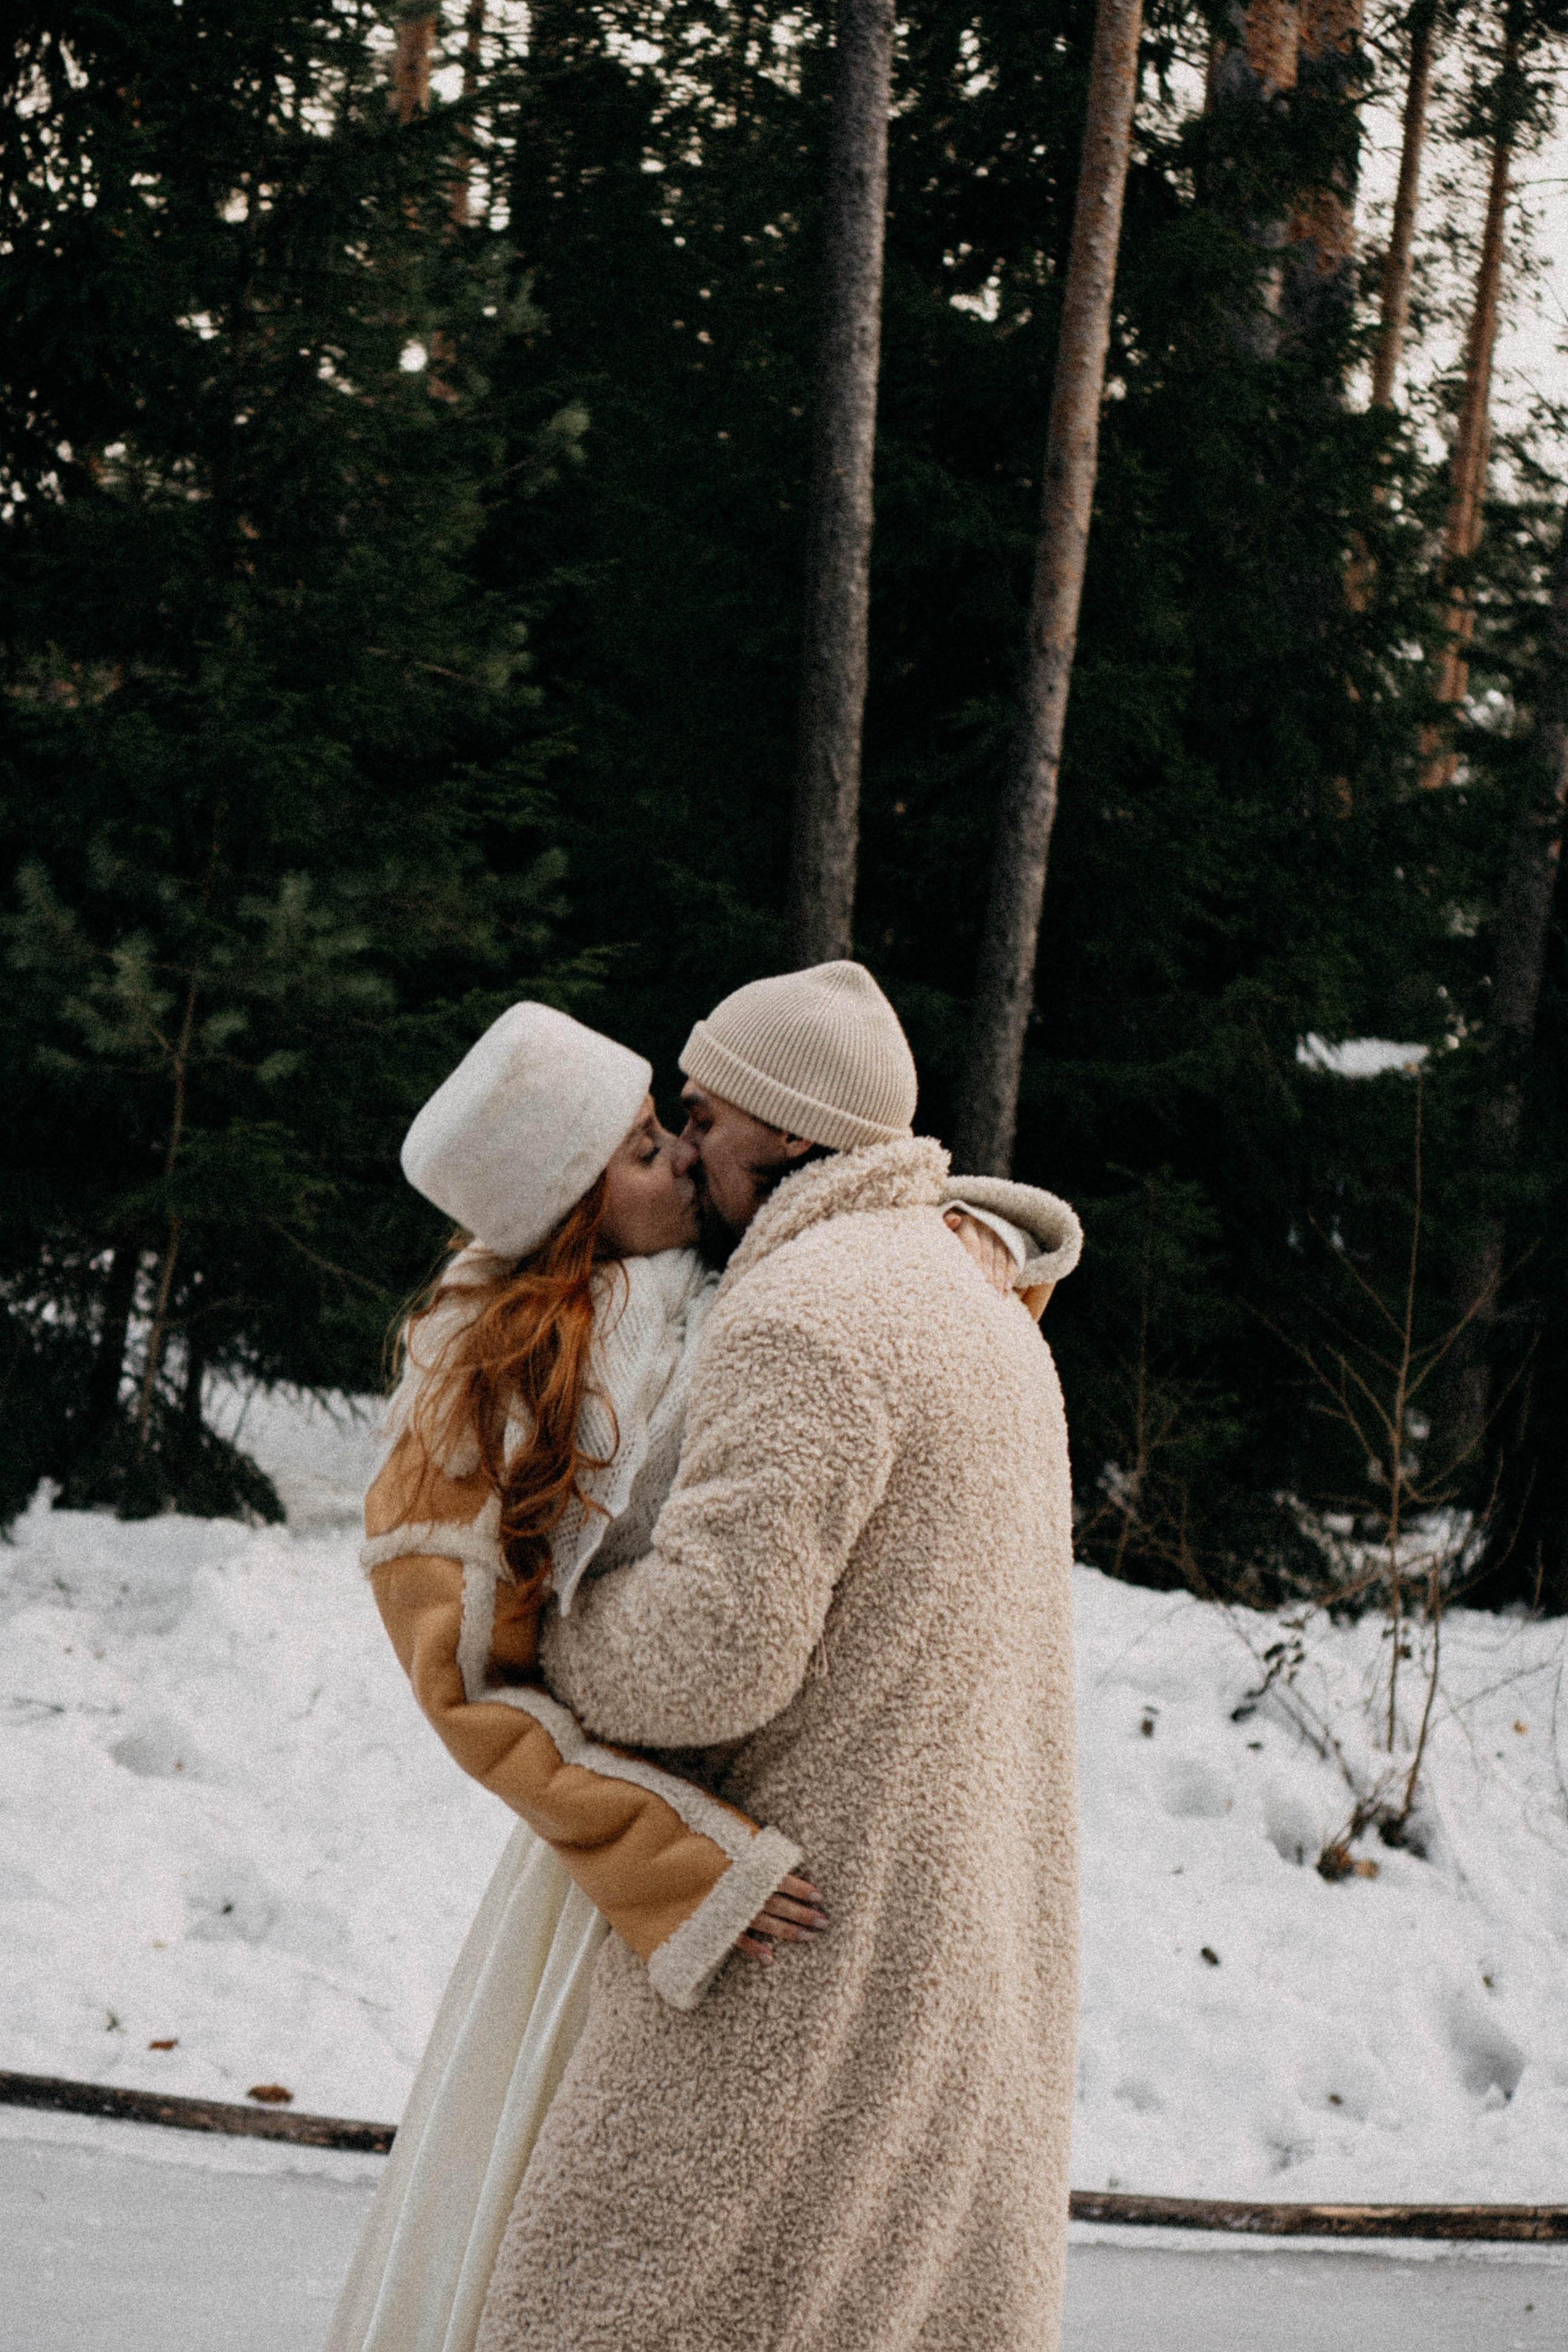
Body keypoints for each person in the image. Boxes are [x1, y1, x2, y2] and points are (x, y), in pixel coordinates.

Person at [327, 986, 1078, 2352]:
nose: (682, 1152)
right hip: (656, 1848)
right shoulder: (496, 1367)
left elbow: (710, 1645)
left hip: (765, 1864)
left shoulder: (778, 1295)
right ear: (564, 1198)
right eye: (645, 1142)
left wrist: (986, 1227)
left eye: (688, 1123)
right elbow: (469, 1668)